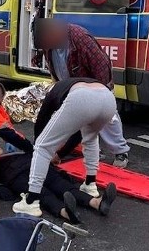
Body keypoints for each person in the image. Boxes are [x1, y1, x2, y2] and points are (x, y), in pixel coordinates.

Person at [12, 78, 117, 217]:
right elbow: (78, 136)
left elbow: (41, 121)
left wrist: (41, 150)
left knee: (42, 146)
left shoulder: (53, 93)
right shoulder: (72, 83)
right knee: (90, 137)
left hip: (82, 98)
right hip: (108, 98)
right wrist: (60, 154)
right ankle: (90, 185)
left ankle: (31, 201)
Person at [33, 18, 130, 167]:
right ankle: (94, 153)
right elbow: (51, 63)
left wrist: (103, 89)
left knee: (108, 118)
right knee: (81, 120)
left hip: (93, 82)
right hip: (71, 84)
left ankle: (120, 152)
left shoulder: (80, 38)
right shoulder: (48, 41)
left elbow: (101, 63)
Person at [0, 150, 116, 224]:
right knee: (43, 194)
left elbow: (39, 152)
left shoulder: (19, 149)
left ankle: (96, 203)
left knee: (63, 185)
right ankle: (66, 213)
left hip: (37, 167)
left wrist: (59, 171)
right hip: (17, 176)